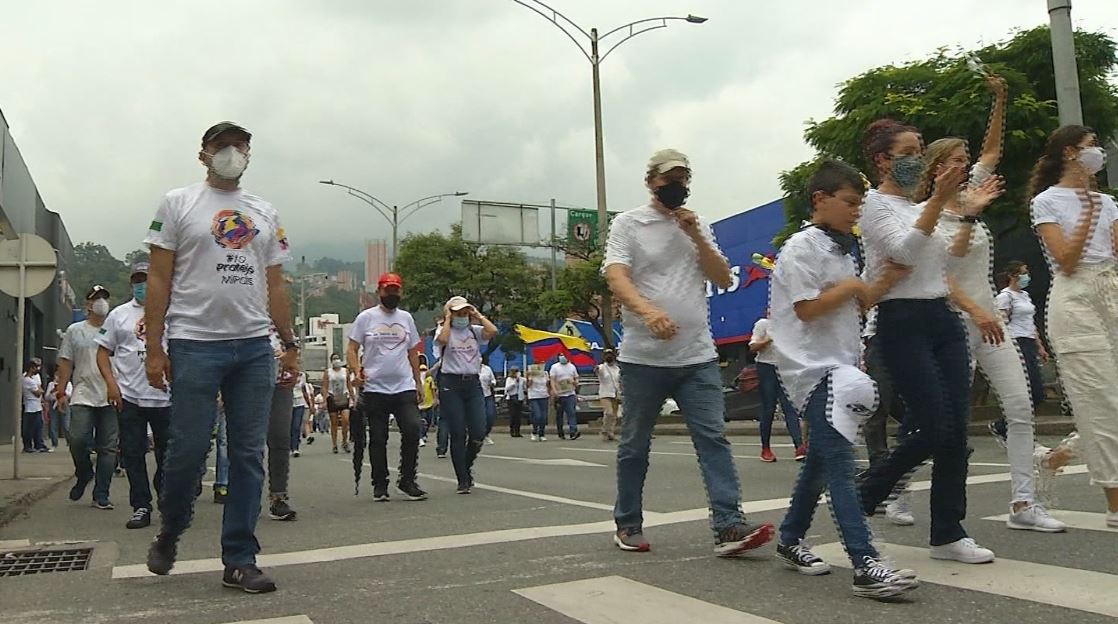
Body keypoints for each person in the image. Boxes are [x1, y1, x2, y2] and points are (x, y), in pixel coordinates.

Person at [143, 121, 296, 593]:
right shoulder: (178, 203)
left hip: (253, 347)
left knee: (248, 454)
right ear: (203, 154)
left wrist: (289, 344)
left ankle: (240, 558)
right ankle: (172, 528)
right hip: (194, 342)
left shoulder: (265, 212)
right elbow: (158, 278)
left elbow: (275, 285)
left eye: (240, 146)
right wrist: (154, 348)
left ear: (249, 154)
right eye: (222, 145)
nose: (232, 152)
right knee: (187, 451)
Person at [603, 148, 773, 555]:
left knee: (713, 438)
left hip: (697, 356)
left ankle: (729, 525)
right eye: (669, 178)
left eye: (683, 178)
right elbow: (616, 275)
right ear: (651, 182)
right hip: (643, 358)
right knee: (634, 445)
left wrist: (695, 233)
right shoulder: (628, 223)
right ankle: (628, 523)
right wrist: (648, 312)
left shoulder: (698, 225)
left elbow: (721, 276)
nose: (677, 185)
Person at [771, 160, 918, 598]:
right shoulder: (801, 248)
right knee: (841, 463)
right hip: (812, 369)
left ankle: (790, 538)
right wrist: (854, 287)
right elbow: (807, 309)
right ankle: (864, 562)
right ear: (820, 199)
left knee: (822, 459)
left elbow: (858, 303)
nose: (856, 211)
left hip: (842, 366)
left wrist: (883, 280)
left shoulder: (843, 250)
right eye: (850, 202)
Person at [855, 119, 996, 563]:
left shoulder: (919, 207)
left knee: (956, 433)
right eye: (908, 153)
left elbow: (948, 258)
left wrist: (966, 212)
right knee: (934, 427)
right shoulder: (873, 205)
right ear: (882, 160)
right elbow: (903, 252)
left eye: (920, 150)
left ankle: (948, 533)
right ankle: (864, 494)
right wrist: (937, 200)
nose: (917, 160)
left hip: (942, 316)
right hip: (902, 319)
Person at [1029, 124, 1118, 528]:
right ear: (1069, 153)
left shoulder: (1108, 202)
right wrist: (1087, 214)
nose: (1096, 152)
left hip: (1110, 290)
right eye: (1089, 146)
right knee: (1100, 403)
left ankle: (1057, 457)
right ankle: (1114, 502)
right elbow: (1064, 259)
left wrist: (1098, 207)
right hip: (1074, 298)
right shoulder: (1046, 201)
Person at [95, 262, 173, 529]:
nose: (143, 285)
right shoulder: (119, 315)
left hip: (166, 397)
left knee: (168, 455)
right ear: (131, 284)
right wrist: (111, 384)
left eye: (147, 279)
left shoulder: (173, 312)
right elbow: (102, 352)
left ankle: (164, 491)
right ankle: (141, 505)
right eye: (138, 280)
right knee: (132, 453)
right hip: (130, 396)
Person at [347, 272, 427, 502]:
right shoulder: (366, 318)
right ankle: (380, 484)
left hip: (403, 386)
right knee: (378, 437)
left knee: (412, 429)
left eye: (395, 290)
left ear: (401, 292)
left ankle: (407, 479)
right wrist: (356, 371)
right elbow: (352, 348)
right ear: (379, 292)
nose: (391, 294)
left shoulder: (406, 318)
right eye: (387, 290)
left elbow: (413, 352)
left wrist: (418, 382)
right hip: (375, 388)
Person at [57, 285, 118, 509]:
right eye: (96, 298)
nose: (101, 302)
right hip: (83, 393)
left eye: (104, 298)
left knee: (108, 448)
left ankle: (101, 494)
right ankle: (84, 473)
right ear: (88, 305)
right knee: (78, 440)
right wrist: (60, 391)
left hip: (111, 394)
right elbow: (66, 362)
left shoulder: (116, 328)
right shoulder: (75, 330)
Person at [434, 296, 498, 494]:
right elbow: (442, 340)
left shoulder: (473, 331)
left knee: (479, 430)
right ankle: (462, 478)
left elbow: (492, 331)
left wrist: (477, 315)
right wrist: (447, 319)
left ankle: (466, 464)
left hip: (472, 383)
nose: (462, 317)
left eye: (464, 313)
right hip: (451, 384)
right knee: (458, 432)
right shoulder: (444, 330)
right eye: (458, 313)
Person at [748, 313, 804, 462]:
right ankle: (765, 448)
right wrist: (769, 338)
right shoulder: (763, 324)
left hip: (785, 368)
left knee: (789, 407)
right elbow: (753, 347)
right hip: (766, 367)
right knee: (768, 408)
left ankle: (799, 446)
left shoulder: (789, 325)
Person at [994, 261, 1048, 408]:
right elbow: (1002, 320)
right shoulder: (1005, 296)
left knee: (1035, 378)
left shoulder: (1025, 295)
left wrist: (1040, 346)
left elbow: (1030, 322)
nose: (1027, 276)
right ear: (1013, 276)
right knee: (1026, 377)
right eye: (1023, 273)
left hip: (1029, 338)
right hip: (1016, 339)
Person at [265, 328, 299, 521]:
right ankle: (245, 496)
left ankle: (278, 497)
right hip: (244, 379)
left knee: (280, 436)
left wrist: (293, 363)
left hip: (280, 382)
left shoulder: (279, 320)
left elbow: (290, 344)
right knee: (247, 442)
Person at [323, 355, 353, 454]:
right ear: (331, 361)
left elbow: (349, 384)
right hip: (332, 397)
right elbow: (325, 386)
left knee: (345, 420)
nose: (336, 360)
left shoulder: (345, 371)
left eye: (337, 358)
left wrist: (353, 398)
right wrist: (324, 400)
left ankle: (344, 441)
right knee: (334, 422)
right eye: (334, 359)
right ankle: (334, 444)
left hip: (344, 397)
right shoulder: (328, 372)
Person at [549, 355, 580, 440]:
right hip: (559, 394)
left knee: (571, 412)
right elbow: (552, 380)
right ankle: (560, 432)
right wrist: (554, 390)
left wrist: (574, 382)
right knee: (559, 414)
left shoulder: (572, 366)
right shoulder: (555, 367)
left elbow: (576, 378)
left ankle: (573, 431)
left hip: (570, 393)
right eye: (562, 355)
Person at [21, 358, 49, 453]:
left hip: (36, 406)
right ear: (31, 368)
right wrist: (39, 390)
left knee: (38, 427)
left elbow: (40, 389)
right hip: (31, 407)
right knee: (30, 428)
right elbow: (38, 393)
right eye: (36, 367)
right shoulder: (27, 380)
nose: (38, 369)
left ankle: (39, 445)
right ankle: (28, 446)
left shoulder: (33, 379)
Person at [595, 351, 621, 442]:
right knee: (609, 412)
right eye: (607, 355)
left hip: (615, 394)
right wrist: (596, 369)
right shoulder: (602, 367)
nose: (609, 357)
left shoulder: (617, 369)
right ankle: (604, 431)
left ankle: (611, 432)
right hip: (605, 394)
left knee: (614, 415)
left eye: (610, 355)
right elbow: (598, 371)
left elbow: (619, 381)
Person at [44, 372, 72, 450]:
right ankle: (54, 443)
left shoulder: (68, 383)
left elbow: (70, 394)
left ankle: (69, 441)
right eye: (56, 376)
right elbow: (46, 397)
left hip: (64, 404)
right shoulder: (51, 384)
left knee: (66, 425)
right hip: (53, 404)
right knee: (53, 425)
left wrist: (62, 391)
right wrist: (52, 391)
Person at [290, 370, 313, 457]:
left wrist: (310, 404)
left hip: (300, 403)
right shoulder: (285, 373)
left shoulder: (302, 375)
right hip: (287, 402)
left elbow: (304, 390)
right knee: (288, 426)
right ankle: (289, 446)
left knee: (296, 426)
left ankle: (295, 448)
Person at [525, 364, 550, 442]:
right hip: (534, 396)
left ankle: (542, 434)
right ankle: (534, 431)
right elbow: (527, 386)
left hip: (544, 396)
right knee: (537, 415)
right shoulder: (531, 374)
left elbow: (548, 385)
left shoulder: (545, 373)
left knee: (544, 417)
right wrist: (529, 378)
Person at [418, 364, 439, 447]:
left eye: (424, 370)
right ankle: (420, 437)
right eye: (421, 370)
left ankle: (424, 434)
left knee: (429, 420)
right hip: (420, 405)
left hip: (429, 404)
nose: (423, 372)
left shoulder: (429, 379)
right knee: (421, 421)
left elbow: (433, 390)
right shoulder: (417, 380)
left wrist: (435, 399)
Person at [479, 359, 497, 444]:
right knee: (479, 417)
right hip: (476, 396)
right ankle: (478, 435)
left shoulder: (487, 369)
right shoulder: (470, 369)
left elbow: (493, 379)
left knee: (490, 415)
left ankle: (486, 433)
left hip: (487, 395)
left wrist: (492, 383)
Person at [504, 368, 525, 438]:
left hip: (519, 398)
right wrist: (515, 383)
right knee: (513, 415)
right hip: (511, 398)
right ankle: (512, 430)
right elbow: (507, 389)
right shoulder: (509, 379)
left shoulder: (521, 379)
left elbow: (524, 386)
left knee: (518, 416)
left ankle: (517, 431)